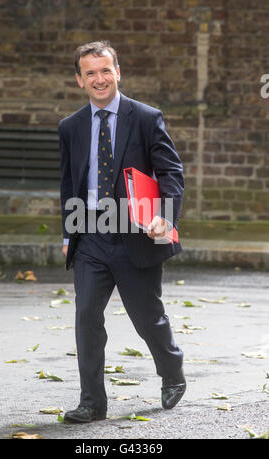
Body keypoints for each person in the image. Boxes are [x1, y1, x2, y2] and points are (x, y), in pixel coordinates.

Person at [58, 41, 186, 423]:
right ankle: (92, 402)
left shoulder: (145, 117)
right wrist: (69, 234)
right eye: (91, 73)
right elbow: (69, 183)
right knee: (86, 316)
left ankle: (172, 371)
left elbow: (170, 172)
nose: (100, 79)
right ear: (79, 79)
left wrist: (166, 215)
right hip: (91, 231)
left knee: (147, 316)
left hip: (137, 230)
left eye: (105, 70)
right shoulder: (71, 126)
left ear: (118, 72)